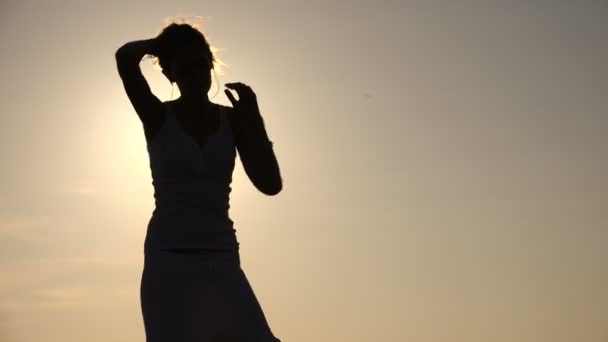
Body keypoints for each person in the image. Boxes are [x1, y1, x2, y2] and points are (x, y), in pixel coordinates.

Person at [115, 20, 283, 342]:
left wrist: (254, 121)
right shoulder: (157, 116)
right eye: (185, 68)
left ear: (211, 67)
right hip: (168, 260)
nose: (196, 75)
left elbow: (270, 184)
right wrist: (162, 43)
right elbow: (125, 58)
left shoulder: (232, 120)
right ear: (170, 75)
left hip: (221, 257)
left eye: (202, 66)